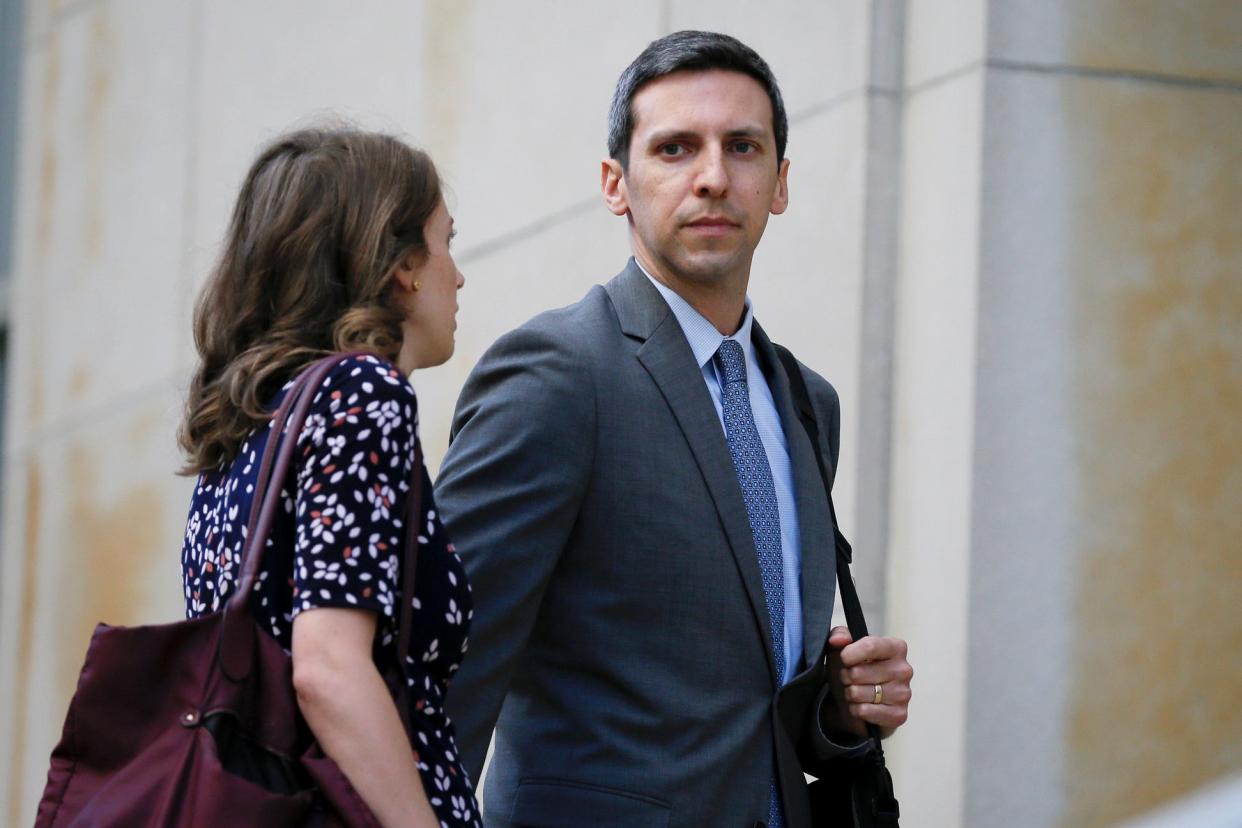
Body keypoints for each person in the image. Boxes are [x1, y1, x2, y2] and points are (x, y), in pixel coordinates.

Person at [436, 31, 913, 827]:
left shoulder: (807, 401)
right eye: (675, 149)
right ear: (616, 184)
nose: (714, 177)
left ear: (781, 183)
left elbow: (749, 706)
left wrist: (833, 715)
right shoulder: (556, 375)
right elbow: (443, 669)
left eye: (744, 147)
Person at [177, 127, 478, 827]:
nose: (456, 274)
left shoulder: (242, 426)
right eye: (445, 242)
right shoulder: (362, 392)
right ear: (403, 265)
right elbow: (329, 669)